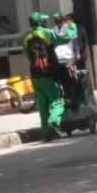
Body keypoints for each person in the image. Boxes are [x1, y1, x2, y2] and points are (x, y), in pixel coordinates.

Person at [22, 12, 76, 141]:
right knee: (57, 102)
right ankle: (53, 123)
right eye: (43, 21)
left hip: (35, 75)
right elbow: (66, 38)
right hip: (48, 73)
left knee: (42, 105)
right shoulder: (47, 33)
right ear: (40, 22)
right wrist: (72, 26)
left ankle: (46, 134)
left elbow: (28, 57)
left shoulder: (26, 37)